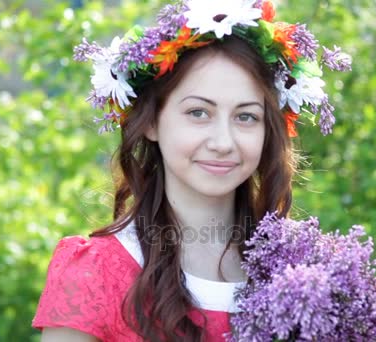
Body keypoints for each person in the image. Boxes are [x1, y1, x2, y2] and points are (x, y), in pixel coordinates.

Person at [31, 1, 350, 341]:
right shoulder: (94, 272)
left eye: (246, 117)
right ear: (151, 120)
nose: (223, 142)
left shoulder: (304, 270)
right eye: (199, 113)